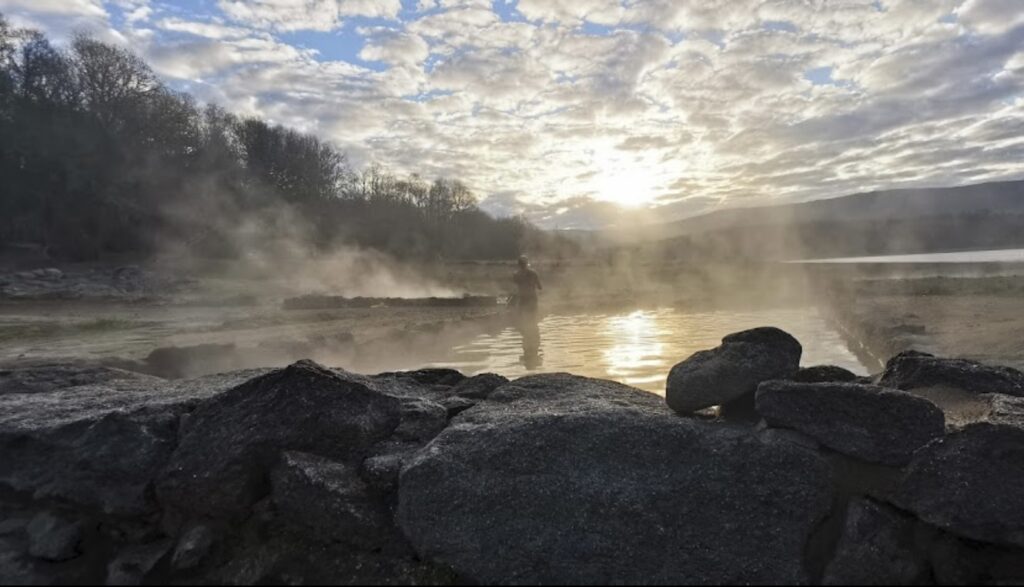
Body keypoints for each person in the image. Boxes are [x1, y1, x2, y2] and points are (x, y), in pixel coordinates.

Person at [512, 255, 542, 359]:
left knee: (524, 320)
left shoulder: (516, 274)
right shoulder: (533, 273)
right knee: (533, 319)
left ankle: (527, 339)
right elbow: (540, 287)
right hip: (532, 298)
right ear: (527, 262)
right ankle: (534, 341)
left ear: (518, 264)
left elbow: (516, 285)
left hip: (523, 299)